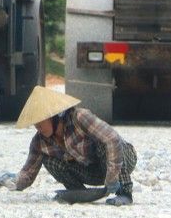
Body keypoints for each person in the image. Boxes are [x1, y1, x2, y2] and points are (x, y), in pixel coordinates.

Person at [7, 86, 137, 206]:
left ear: (54, 116)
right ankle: (79, 193)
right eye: (35, 123)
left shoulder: (79, 117)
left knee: (104, 145)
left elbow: (112, 140)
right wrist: (14, 181)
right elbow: (28, 173)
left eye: (40, 121)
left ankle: (125, 193)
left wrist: (112, 177)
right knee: (49, 160)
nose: (37, 126)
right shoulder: (39, 141)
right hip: (92, 170)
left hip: (121, 161)